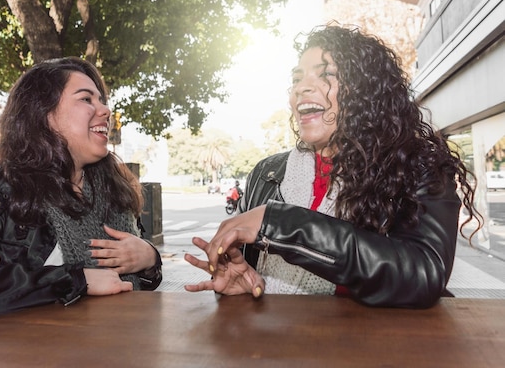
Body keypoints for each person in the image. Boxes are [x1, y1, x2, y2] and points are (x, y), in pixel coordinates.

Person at [184, 24, 482, 308]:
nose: (302, 88)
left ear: (366, 91)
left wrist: (285, 223)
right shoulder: (267, 174)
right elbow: (245, 270)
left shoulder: (417, 168)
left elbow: (423, 274)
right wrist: (243, 282)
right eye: (297, 78)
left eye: (325, 74)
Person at [0, 57, 162, 323]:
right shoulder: (0, 188)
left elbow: (130, 286)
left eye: (102, 100)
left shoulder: (113, 190)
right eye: (86, 99)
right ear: (44, 115)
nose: (105, 110)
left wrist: (149, 259)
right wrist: (74, 279)